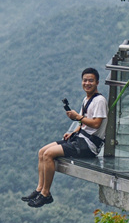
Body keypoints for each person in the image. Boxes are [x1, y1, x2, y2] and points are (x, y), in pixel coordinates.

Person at [25, 68, 108, 208]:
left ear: (97, 82)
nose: (87, 83)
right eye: (85, 80)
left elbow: (96, 124)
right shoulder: (87, 99)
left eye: (91, 81)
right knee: (42, 151)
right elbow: (83, 122)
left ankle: (46, 194)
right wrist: (74, 130)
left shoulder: (99, 100)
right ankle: (39, 189)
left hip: (89, 146)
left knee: (48, 154)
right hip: (80, 138)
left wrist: (77, 117)